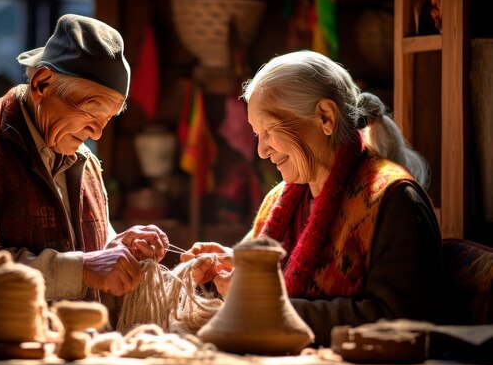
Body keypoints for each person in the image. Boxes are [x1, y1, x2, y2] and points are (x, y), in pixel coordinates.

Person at [181, 50, 443, 347]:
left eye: (270, 129)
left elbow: (397, 320)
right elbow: (251, 297)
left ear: (325, 117)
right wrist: (225, 275)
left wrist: (262, 304)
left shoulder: (394, 201)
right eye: (257, 134)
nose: (262, 151)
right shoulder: (279, 201)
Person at [0, 14, 169, 306]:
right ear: (42, 84)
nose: (96, 134)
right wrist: (83, 269)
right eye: (90, 111)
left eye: (106, 120)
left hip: (70, 341)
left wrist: (117, 247)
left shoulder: (80, 159)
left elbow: (88, 254)